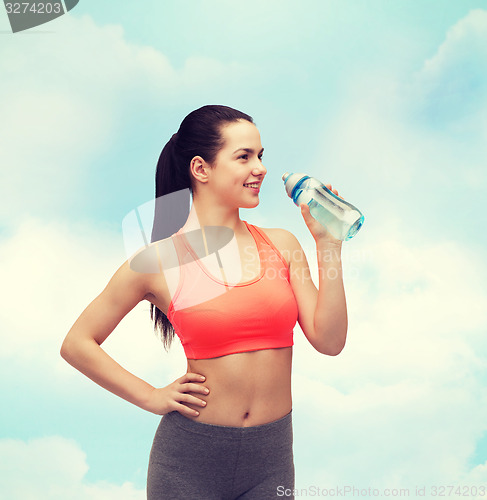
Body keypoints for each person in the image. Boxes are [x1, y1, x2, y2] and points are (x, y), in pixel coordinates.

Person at [60, 105, 348, 499]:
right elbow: (77, 343)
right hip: (188, 463)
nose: (260, 168)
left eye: (261, 155)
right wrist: (151, 396)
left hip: (272, 459)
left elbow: (330, 341)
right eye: (244, 156)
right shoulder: (157, 261)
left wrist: (328, 244)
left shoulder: (282, 245)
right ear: (201, 169)